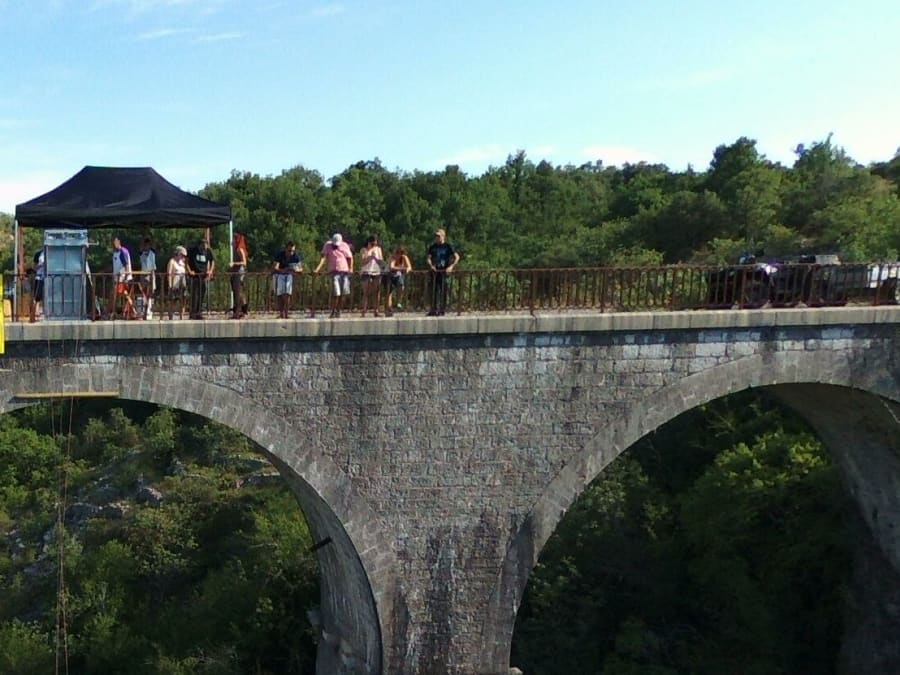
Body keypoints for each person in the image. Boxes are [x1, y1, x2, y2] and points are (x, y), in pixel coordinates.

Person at [313, 233, 353, 318]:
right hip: (334, 272)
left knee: (343, 293)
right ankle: (333, 310)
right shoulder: (327, 245)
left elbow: (350, 257)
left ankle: (338, 310)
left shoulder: (345, 245)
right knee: (336, 293)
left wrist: (351, 268)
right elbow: (323, 258)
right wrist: (317, 269)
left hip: (344, 271)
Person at [426, 228, 459, 316]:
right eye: (436, 236)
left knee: (444, 290)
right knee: (434, 290)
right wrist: (431, 265)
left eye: (439, 236)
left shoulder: (448, 246)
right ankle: (433, 309)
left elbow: (457, 257)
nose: (437, 238)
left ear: (443, 236)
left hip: (444, 271)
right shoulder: (432, 247)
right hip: (435, 271)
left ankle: (442, 309)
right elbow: (428, 258)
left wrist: (451, 266)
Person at [272, 241, 303, 319]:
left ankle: (286, 313)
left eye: (293, 251)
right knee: (280, 294)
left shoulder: (296, 257)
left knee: (287, 294)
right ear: (286, 249)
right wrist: (283, 270)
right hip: (279, 275)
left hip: (289, 275)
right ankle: (281, 313)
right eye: (289, 251)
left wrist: (295, 270)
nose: (291, 253)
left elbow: (301, 269)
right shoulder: (280, 255)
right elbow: (275, 267)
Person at [187, 238, 215, 320]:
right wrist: (189, 270)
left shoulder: (208, 251)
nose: (204, 248)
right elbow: (186, 261)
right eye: (203, 246)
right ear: (200, 245)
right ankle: (193, 312)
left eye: (206, 246)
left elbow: (212, 261)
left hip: (203, 275)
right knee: (194, 294)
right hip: (194, 275)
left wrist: (210, 271)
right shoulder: (193, 251)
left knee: (202, 293)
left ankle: (199, 312)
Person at [110, 237, 135, 319]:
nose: (114, 244)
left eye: (116, 242)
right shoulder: (115, 253)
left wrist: (126, 277)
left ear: (119, 242)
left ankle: (113, 312)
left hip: (122, 278)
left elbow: (126, 265)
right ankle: (132, 311)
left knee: (118, 294)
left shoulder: (123, 252)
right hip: (117, 278)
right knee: (123, 294)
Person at [383, 245, 412, 317]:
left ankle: (398, 302)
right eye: (398, 253)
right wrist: (402, 268)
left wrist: (407, 270)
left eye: (401, 253)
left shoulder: (404, 257)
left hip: (397, 275)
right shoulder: (392, 257)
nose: (399, 255)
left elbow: (409, 267)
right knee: (389, 292)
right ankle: (388, 309)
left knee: (401, 286)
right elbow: (391, 267)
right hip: (388, 275)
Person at [359, 236, 384, 317]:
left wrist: (376, 258)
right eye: (373, 243)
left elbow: (381, 261)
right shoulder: (364, 250)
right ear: (369, 242)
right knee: (366, 292)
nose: (374, 245)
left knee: (376, 292)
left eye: (375, 244)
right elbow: (362, 262)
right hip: (366, 272)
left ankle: (376, 311)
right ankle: (363, 311)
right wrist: (370, 257)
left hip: (376, 272)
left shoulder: (378, 249)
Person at [229, 232, 249, 319]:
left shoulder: (240, 249)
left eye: (233, 239)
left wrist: (234, 263)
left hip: (239, 272)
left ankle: (240, 310)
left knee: (238, 291)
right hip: (236, 271)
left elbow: (244, 262)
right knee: (238, 291)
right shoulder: (235, 249)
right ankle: (242, 310)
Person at [166, 245, 189, 319]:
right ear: (178, 253)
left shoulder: (182, 263)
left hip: (182, 284)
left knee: (183, 300)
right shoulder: (172, 261)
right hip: (174, 284)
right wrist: (170, 285)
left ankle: (181, 316)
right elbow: (169, 274)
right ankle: (170, 317)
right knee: (173, 301)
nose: (183, 257)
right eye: (182, 255)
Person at [139, 237, 157, 320]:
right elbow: (140, 247)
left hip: (151, 273)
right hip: (144, 273)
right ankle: (144, 309)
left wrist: (150, 235)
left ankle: (149, 309)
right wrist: (143, 239)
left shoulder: (152, 252)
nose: (147, 246)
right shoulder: (141, 253)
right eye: (145, 245)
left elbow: (154, 244)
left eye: (148, 245)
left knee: (150, 292)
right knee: (144, 291)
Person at [29, 248, 45, 323]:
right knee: (37, 298)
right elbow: (34, 267)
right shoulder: (39, 253)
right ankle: (35, 315)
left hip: (50, 278)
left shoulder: (53, 252)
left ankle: (43, 314)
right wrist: (40, 265)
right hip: (40, 278)